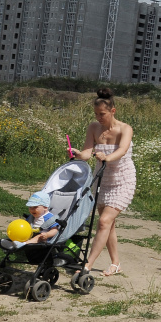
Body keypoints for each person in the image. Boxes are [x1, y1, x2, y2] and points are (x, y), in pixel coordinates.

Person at [70, 88, 135, 276]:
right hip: (102, 179)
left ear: (112, 111)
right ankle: (116, 263)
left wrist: (106, 157)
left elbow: (122, 150)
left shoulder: (125, 129)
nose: (98, 117)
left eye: (102, 114)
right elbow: (87, 153)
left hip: (123, 180)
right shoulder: (93, 127)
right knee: (108, 225)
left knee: (104, 221)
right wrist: (79, 154)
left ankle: (87, 265)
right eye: (96, 114)